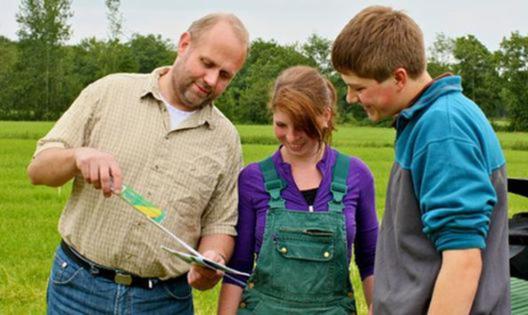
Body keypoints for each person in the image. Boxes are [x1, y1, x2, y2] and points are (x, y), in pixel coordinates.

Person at [27, 13, 249, 314]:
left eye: (225, 75)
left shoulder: (226, 139)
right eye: (207, 64)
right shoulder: (108, 92)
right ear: (184, 44)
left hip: (164, 301)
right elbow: (39, 170)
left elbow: (220, 222)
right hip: (78, 290)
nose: (211, 80)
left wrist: (213, 257)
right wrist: (77, 156)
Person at [331, 6, 510, 315]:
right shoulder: (426, 120)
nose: (349, 98)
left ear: (399, 77)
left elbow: (462, 260)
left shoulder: (443, 130)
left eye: (359, 87)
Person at [217, 65, 378, 314]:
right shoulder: (253, 179)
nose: (291, 137)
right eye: (282, 124)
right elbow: (239, 268)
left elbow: (370, 261)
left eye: (301, 126)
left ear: (325, 116)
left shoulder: (356, 175)